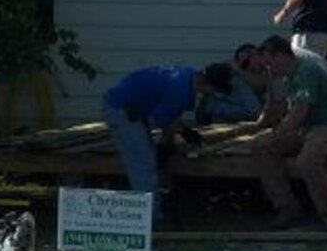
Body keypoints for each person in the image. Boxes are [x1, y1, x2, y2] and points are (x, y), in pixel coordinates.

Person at [101, 63, 236, 220]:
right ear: (206, 85)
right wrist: (182, 133)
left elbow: (169, 116)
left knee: (147, 160)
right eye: (214, 90)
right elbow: (160, 121)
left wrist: (177, 135)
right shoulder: (182, 92)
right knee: (143, 165)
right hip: (121, 110)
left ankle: (152, 214)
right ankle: (148, 221)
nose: (214, 94)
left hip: (131, 105)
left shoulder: (188, 74)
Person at [249, 34, 327, 230]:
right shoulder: (288, 77)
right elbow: (278, 108)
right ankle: (287, 209)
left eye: (269, 63)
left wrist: (273, 135)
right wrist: (260, 130)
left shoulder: (306, 70)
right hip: (305, 130)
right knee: (261, 149)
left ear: (280, 56)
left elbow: (299, 112)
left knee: (308, 161)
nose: (268, 68)